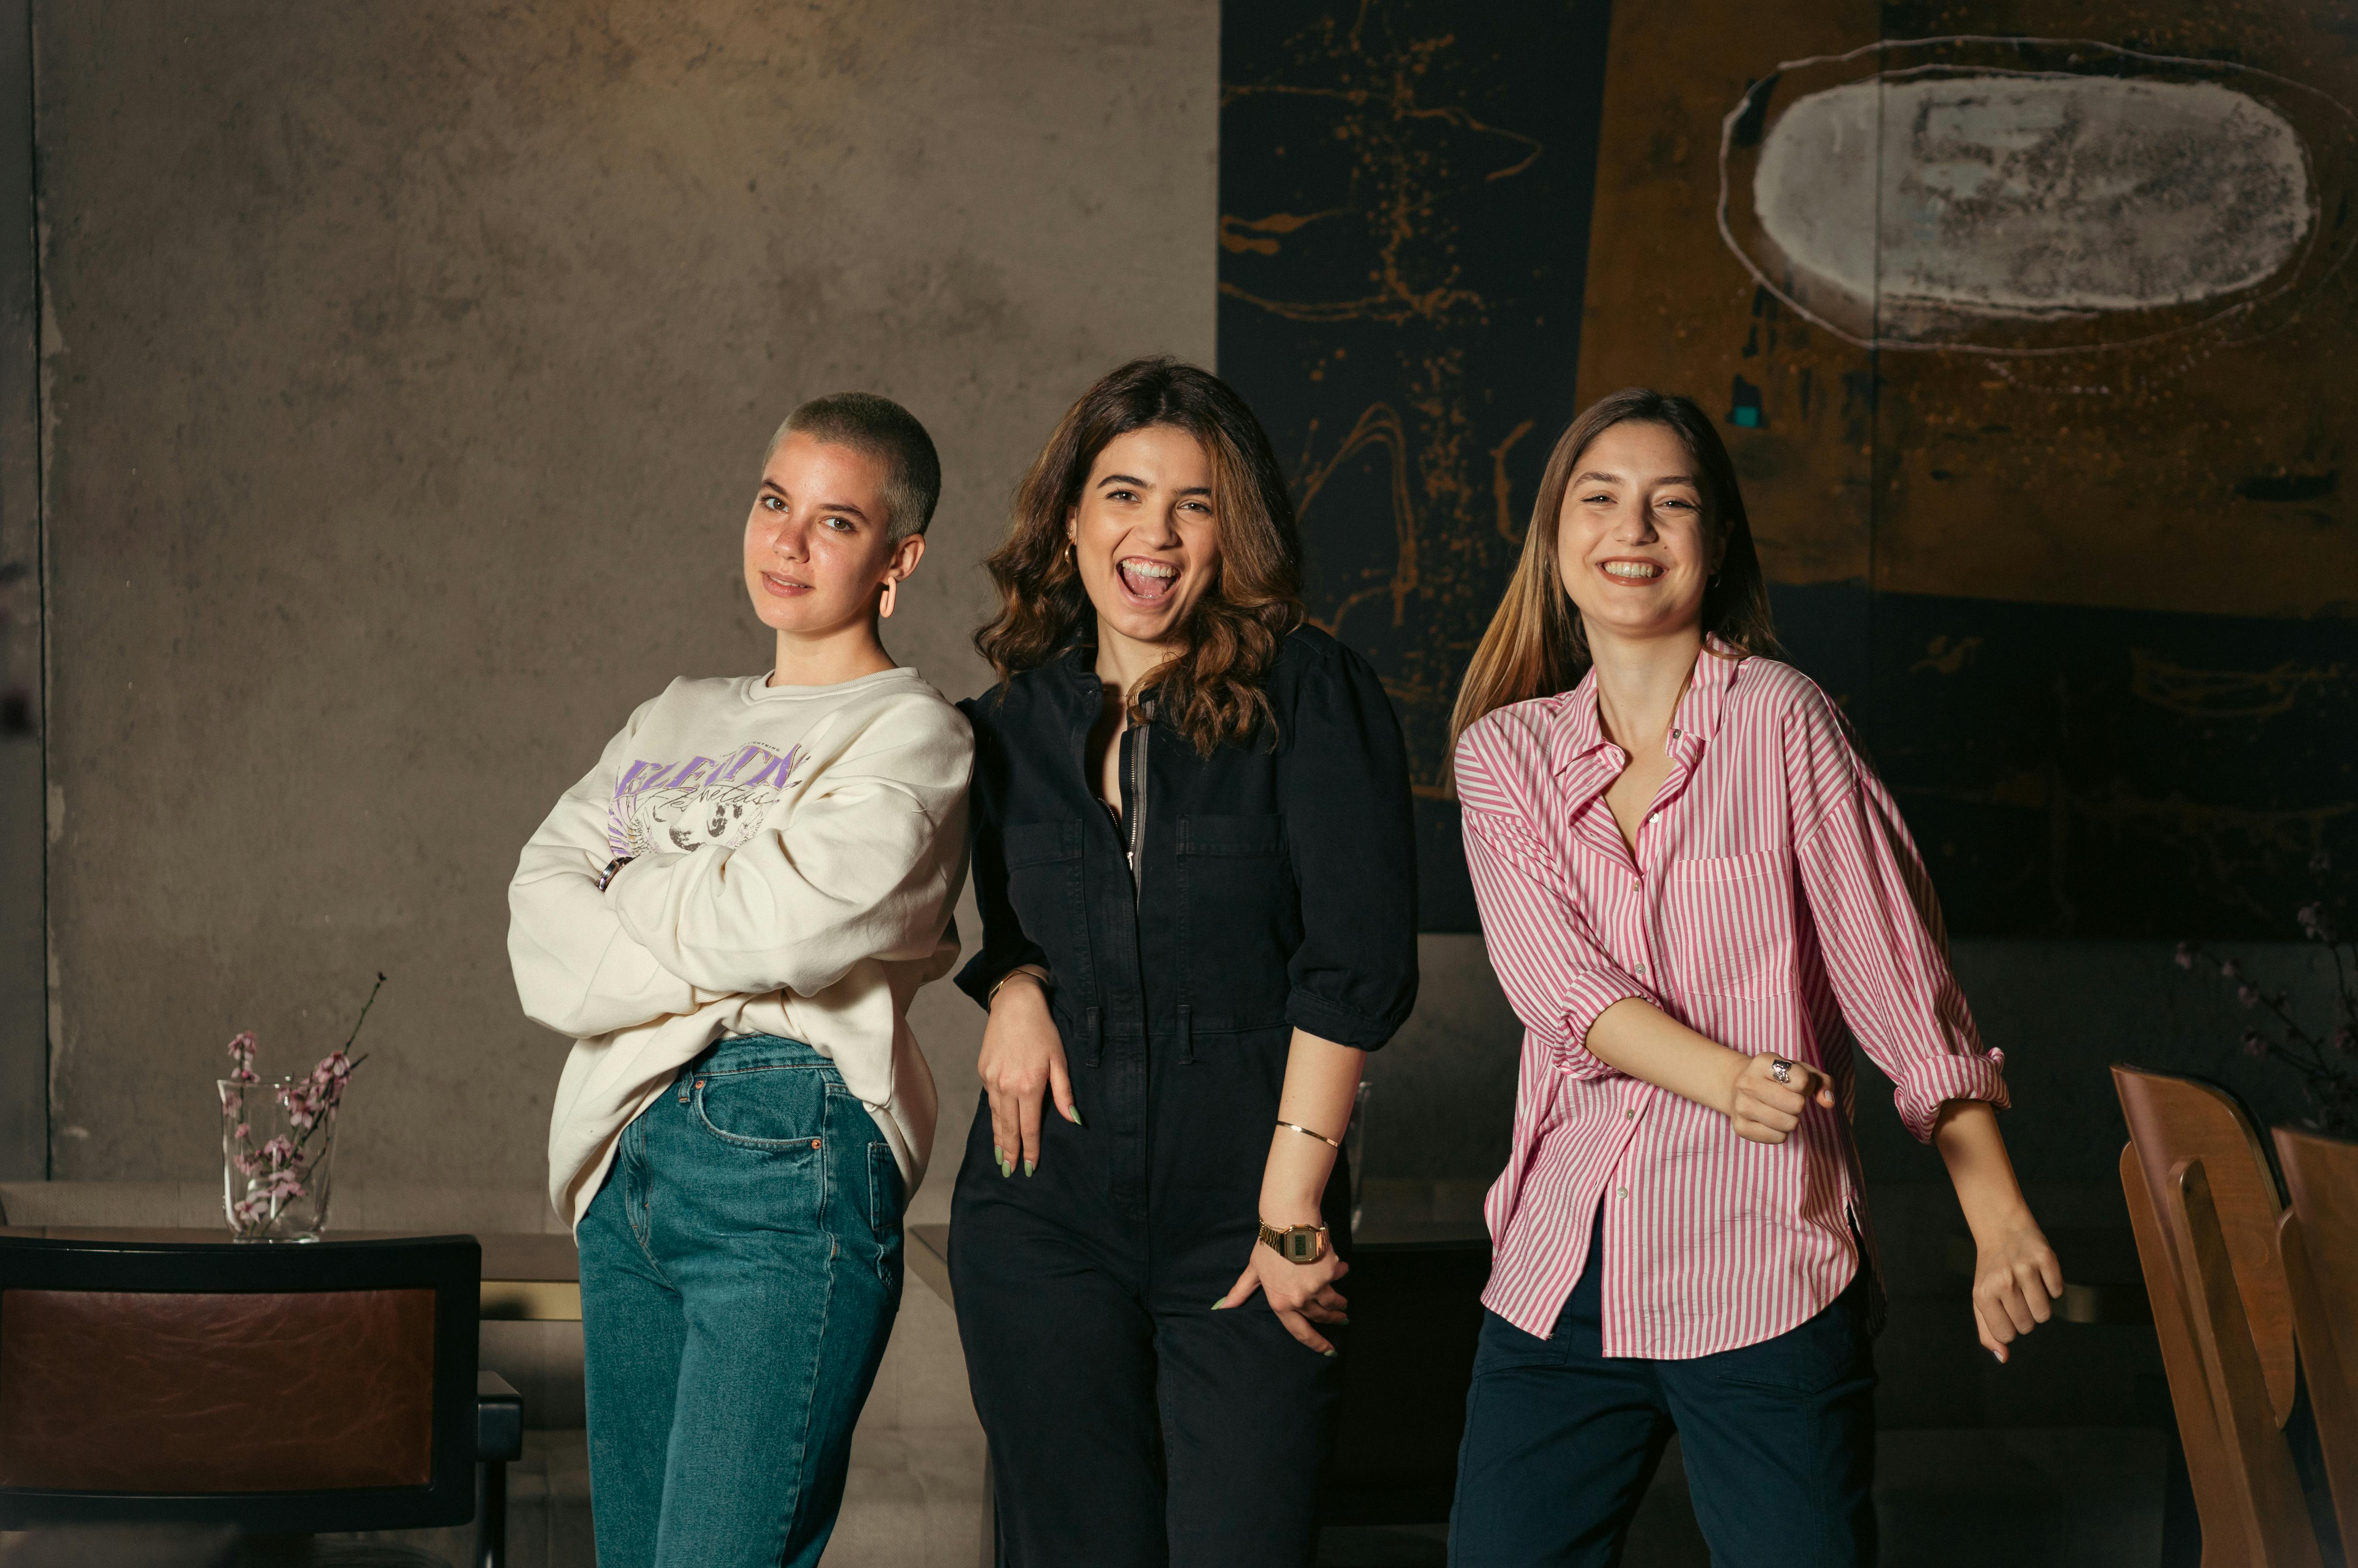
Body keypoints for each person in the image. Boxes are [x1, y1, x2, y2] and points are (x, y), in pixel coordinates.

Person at [1443, 388, 2061, 1566]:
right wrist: (1727, 1075)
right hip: (1557, 1276)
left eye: (1670, 503)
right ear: (1555, 539)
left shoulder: (1784, 721)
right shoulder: (1503, 754)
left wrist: (1996, 1213)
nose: (1633, 528)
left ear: (1716, 543)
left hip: (1762, 1265)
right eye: (1600, 497)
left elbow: (1900, 985)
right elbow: (1557, 985)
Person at [949, 356, 1419, 1567]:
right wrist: (1008, 983)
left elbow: (1352, 960)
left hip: (1249, 1199)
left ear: (1233, 532)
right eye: (1121, 493)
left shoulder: (1311, 691)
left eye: (1194, 503)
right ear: (1068, 517)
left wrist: (1293, 1207)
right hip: (1041, 1205)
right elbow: (983, 919)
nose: (1153, 532)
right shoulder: (1001, 726)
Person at [506, 393, 972, 1568]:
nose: (787, 541)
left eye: (834, 520)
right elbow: (537, 920)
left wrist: (636, 887)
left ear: (897, 557)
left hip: (789, 1153)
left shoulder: (916, 734)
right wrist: (719, 910)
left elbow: (798, 921)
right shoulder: (674, 714)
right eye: (774, 502)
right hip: (619, 1159)